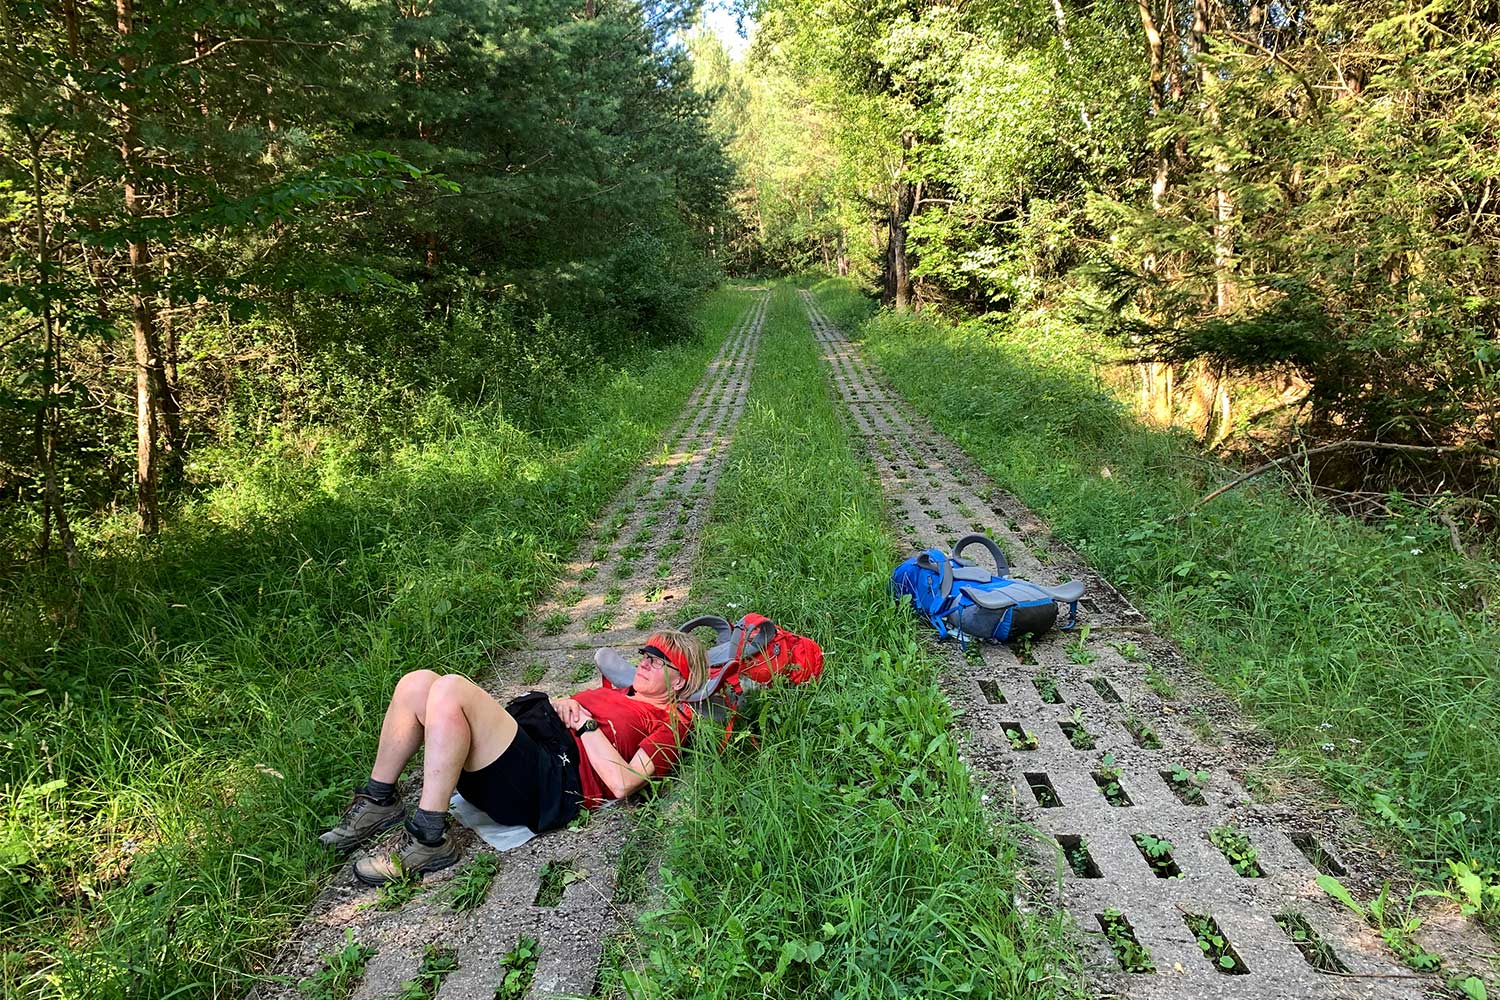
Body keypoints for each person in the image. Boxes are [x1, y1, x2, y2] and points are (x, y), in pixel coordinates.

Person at [319, 629, 708, 885]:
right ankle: (379, 800)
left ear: (681, 680)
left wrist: (586, 726)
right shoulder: (618, 693)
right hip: (524, 755)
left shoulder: (672, 722)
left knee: (451, 688)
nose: (645, 661)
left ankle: (428, 837)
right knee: (417, 682)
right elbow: (571, 712)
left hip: (550, 782)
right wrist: (565, 703)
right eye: (646, 653)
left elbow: (624, 784)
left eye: (659, 661)